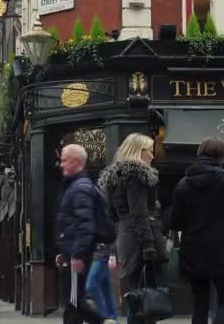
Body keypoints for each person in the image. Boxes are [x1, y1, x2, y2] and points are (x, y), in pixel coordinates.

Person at [170, 137, 224, 324]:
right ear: (223, 157)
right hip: (220, 248)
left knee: (199, 303)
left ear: (199, 154)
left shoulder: (183, 183)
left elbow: (175, 222)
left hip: (192, 248)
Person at [98, 133, 166, 324]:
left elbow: (111, 213)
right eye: (150, 151)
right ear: (139, 151)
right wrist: (149, 244)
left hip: (126, 237)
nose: (153, 156)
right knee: (148, 297)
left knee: (135, 295)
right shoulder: (138, 176)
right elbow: (139, 213)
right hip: (141, 237)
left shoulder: (115, 177)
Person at [56, 144, 100, 324]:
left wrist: (77, 254)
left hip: (76, 254)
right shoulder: (74, 186)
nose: (61, 164)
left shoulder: (80, 188)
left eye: (64, 160)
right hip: (71, 252)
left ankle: (104, 321)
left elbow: (85, 224)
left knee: (74, 302)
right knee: (73, 301)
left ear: (76, 161)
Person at [85, 244, 118, 324]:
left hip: (101, 254)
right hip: (96, 254)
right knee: (106, 289)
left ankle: (104, 318)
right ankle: (111, 318)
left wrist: (113, 254)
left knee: (91, 287)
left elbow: (114, 233)